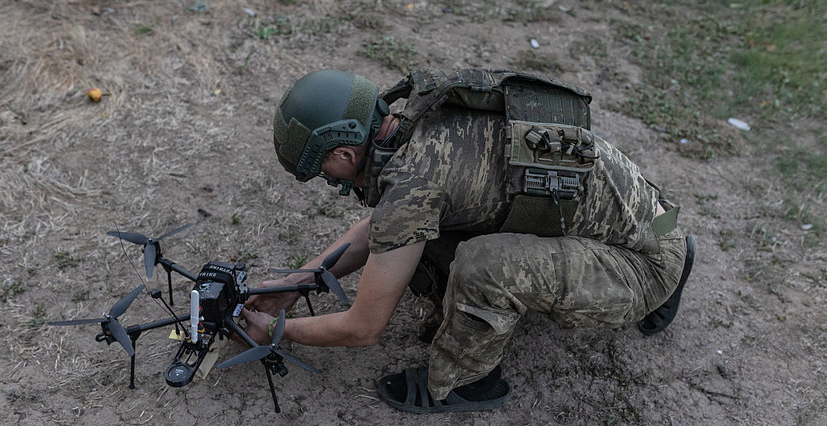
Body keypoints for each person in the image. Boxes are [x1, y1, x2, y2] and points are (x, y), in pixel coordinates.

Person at [242, 68, 694, 413]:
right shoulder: (422, 114)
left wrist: (278, 332)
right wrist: (296, 285)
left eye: (322, 168)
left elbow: (363, 329)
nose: (325, 178)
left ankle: (467, 382)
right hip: (658, 217)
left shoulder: (412, 184)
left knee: (481, 265)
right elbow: (385, 228)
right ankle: (679, 251)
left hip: (642, 260)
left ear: (343, 153)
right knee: (432, 238)